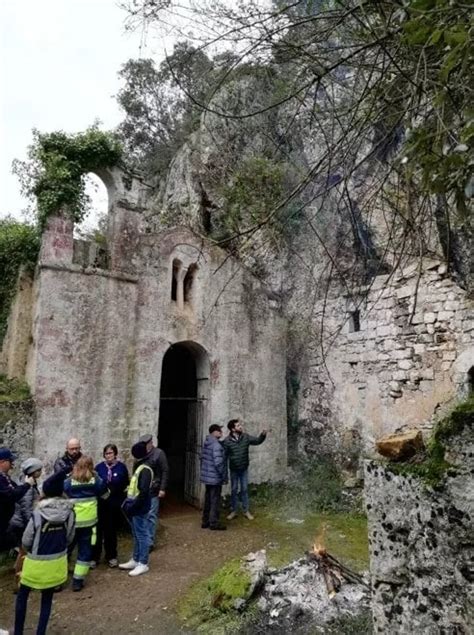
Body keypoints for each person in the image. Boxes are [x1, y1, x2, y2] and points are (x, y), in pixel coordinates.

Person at [13, 478, 75, 635]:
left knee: (22, 596)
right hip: (56, 564)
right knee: (47, 600)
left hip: (35, 564)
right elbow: (69, 538)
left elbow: (26, 541)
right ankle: (40, 632)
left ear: (44, 493)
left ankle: (18, 631)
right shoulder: (70, 512)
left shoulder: (37, 514)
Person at [63, 456, 109, 591]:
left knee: (66, 550)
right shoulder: (96, 480)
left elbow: (63, 494)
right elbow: (106, 496)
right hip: (89, 523)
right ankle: (77, 581)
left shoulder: (69, 481)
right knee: (85, 551)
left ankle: (58, 580)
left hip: (71, 522)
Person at [91, 444, 129, 568]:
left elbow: (124, 485)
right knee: (97, 532)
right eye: (107, 453)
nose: (109, 456)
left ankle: (111, 556)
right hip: (100, 505)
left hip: (113, 505)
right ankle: (94, 557)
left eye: (111, 453)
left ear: (115, 454)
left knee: (111, 532)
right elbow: (94, 483)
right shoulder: (99, 468)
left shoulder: (121, 468)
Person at [119, 442, 153, 577]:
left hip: (139, 507)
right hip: (135, 507)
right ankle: (136, 558)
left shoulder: (144, 469)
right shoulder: (142, 467)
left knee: (142, 535)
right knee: (136, 534)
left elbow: (143, 491)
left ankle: (143, 563)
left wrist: (133, 505)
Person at [222, 419, 267, 520]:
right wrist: (224, 473)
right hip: (233, 470)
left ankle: (246, 511)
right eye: (238, 426)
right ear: (233, 429)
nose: (241, 427)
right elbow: (224, 457)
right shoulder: (227, 441)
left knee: (244, 489)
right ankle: (234, 511)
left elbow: (257, 441)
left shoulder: (245, 437)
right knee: (234, 490)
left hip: (243, 469)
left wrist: (263, 434)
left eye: (240, 425)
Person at [0, 448, 35, 553]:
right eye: (10, 461)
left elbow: (15, 489)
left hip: (5, 522)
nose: (12, 464)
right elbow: (11, 495)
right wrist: (27, 485)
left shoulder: (4, 477)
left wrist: (25, 484)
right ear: (2, 462)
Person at [138, 433, 169, 551]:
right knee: (143, 515)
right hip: (142, 489)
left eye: (146, 444)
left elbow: (165, 471)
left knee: (151, 515)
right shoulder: (141, 454)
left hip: (154, 489)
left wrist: (162, 488)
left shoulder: (159, 454)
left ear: (150, 443)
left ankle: (149, 542)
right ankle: (143, 539)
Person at [8, 458, 43, 547]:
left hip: (20, 521)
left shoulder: (29, 482)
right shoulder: (28, 486)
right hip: (21, 523)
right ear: (33, 471)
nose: (41, 472)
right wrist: (32, 523)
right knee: (24, 549)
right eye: (39, 470)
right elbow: (26, 507)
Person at [200, 424, 227, 530]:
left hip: (208, 477)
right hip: (215, 477)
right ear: (214, 432)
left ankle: (205, 521)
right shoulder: (216, 445)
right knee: (215, 500)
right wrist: (223, 476)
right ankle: (214, 523)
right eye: (219, 431)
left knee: (208, 500)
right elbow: (219, 463)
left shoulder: (207, 442)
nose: (221, 433)